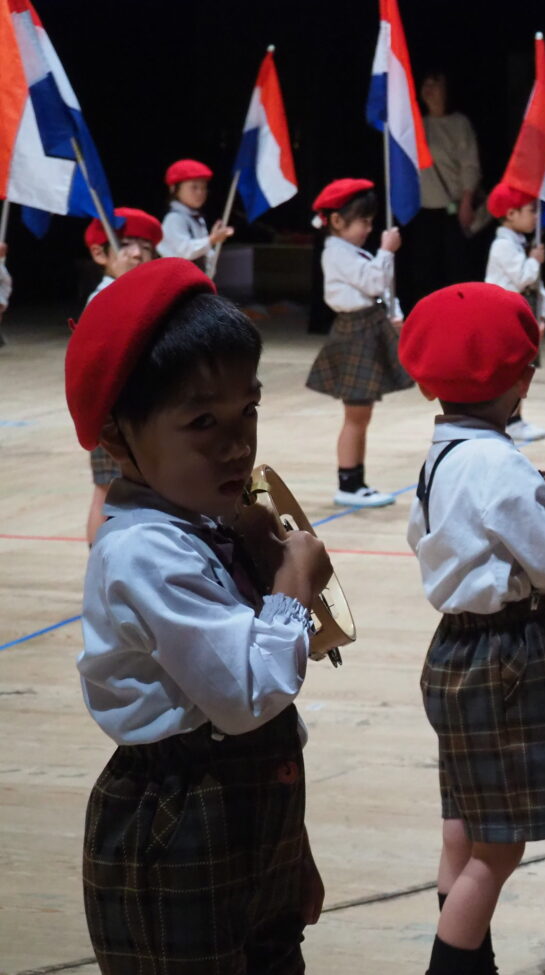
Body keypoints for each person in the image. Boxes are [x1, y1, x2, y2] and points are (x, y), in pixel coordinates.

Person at [68, 258, 333, 973]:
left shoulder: (203, 527)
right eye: (203, 421)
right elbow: (247, 696)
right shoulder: (146, 551)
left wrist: (289, 853)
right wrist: (291, 588)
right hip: (179, 819)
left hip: (248, 807)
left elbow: (266, 725)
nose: (237, 444)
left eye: (249, 410)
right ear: (118, 439)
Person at [399, 282, 545, 975]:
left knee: (464, 820)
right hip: (504, 657)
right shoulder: (496, 461)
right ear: (522, 379)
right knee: (499, 846)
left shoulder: (443, 455)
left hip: (456, 647)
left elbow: (421, 535)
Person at [307, 178, 412, 507]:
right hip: (356, 333)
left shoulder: (350, 250)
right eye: (363, 221)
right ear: (338, 221)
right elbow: (374, 281)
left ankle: (356, 482)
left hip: (368, 327)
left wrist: (395, 315)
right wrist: (386, 251)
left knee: (361, 414)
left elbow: (382, 289)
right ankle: (349, 484)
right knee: (356, 414)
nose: (368, 228)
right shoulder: (336, 252)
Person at [81, 208, 163, 544]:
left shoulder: (142, 294)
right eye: (126, 243)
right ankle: (98, 563)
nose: (138, 253)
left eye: (146, 246)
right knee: (107, 487)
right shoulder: (102, 299)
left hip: (141, 407)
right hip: (113, 410)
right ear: (100, 253)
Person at [399, 69, 484, 307]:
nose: (429, 89)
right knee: (424, 272)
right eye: (425, 83)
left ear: (446, 90)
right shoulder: (416, 125)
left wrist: (466, 202)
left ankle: (459, 316)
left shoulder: (458, 123)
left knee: (456, 269)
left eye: (435, 83)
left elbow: (470, 164)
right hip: (423, 210)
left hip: (452, 209)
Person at [484, 181, 545, 444]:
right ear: (511, 214)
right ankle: (511, 420)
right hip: (505, 317)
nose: (536, 217)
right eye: (531, 211)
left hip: (521, 313)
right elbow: (523, 278)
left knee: (522, 368)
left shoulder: (517, 242)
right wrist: (534, 260)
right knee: (512, 371)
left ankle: (514, 419)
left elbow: (537, 288)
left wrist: (542, 316)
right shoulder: (502, 245)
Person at [157, 159, 233, 272]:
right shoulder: (174, 218)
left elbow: (204, 254)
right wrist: (211, 240)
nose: (200, 193)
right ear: (174, 189)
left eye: (203, 188)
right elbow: (185, 251)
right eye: (194, 187)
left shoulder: (197, 218)